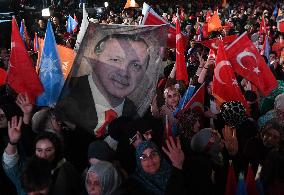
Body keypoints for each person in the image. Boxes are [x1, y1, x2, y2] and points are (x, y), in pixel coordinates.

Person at [56, 33, 150, 137]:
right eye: (115, 60)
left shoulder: (137, 113)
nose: (124, 72)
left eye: (136, 65)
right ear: (95, 59)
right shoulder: (64, 93)